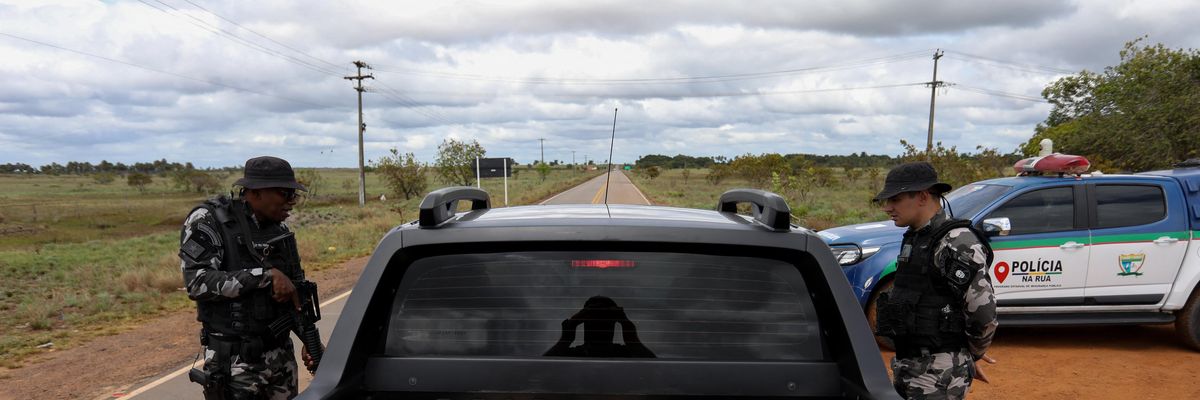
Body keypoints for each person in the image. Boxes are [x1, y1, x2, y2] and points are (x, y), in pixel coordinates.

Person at [179, 156, 319, 399]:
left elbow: (294, 293)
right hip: (235, 363)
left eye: (294, 194)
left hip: (280, 359)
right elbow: (197, 282)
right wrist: (264, 276)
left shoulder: (279, 230)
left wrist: (310, 340)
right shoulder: (209, 220)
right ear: (256, 192)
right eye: (285, 193)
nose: (292, 201)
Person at [873, 161, 998, 400]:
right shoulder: (916, 237)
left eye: (895, 199)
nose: (887, 207)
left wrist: (969, 355)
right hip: (910, 365)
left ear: (922, 196)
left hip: (937, 374)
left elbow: (983, 313)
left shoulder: (956, 242)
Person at [544, 296, 655, 358]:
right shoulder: (626, 355)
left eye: (605, 316)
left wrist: (568, 333)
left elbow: (545, 367)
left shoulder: (572, 356)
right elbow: (651, 366)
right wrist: (627, 326)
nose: (599, 321)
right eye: (594, 315)